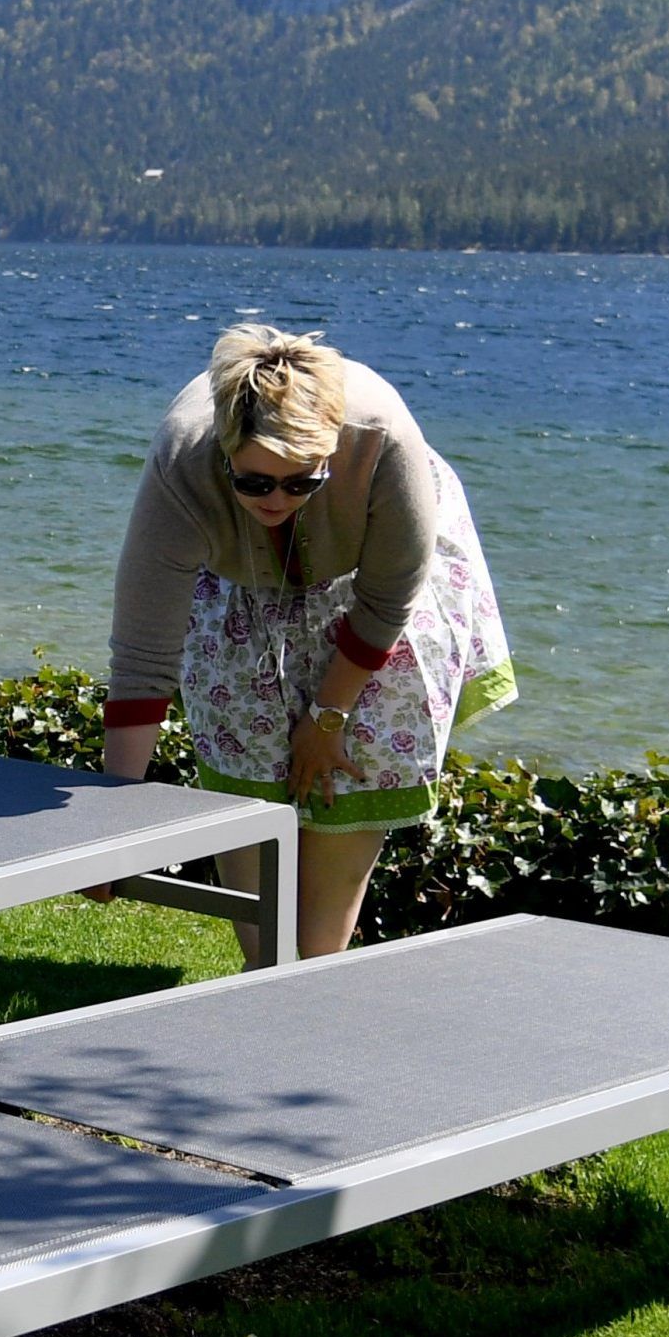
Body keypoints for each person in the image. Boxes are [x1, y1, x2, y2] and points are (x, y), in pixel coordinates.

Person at [102, 323, 516, 957]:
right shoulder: (182, 466)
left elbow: (386, 600)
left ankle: (317, 981)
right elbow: (143, 653)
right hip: (236, 584)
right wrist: (113, 827)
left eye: (301, 482)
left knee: (322, 919)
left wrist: (326, 720)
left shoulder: (384, 445)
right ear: (225, 455)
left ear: (331, 456)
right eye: (256, 482)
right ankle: (266, 973)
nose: (278, 499)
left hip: (371, 586)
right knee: (264, 922)